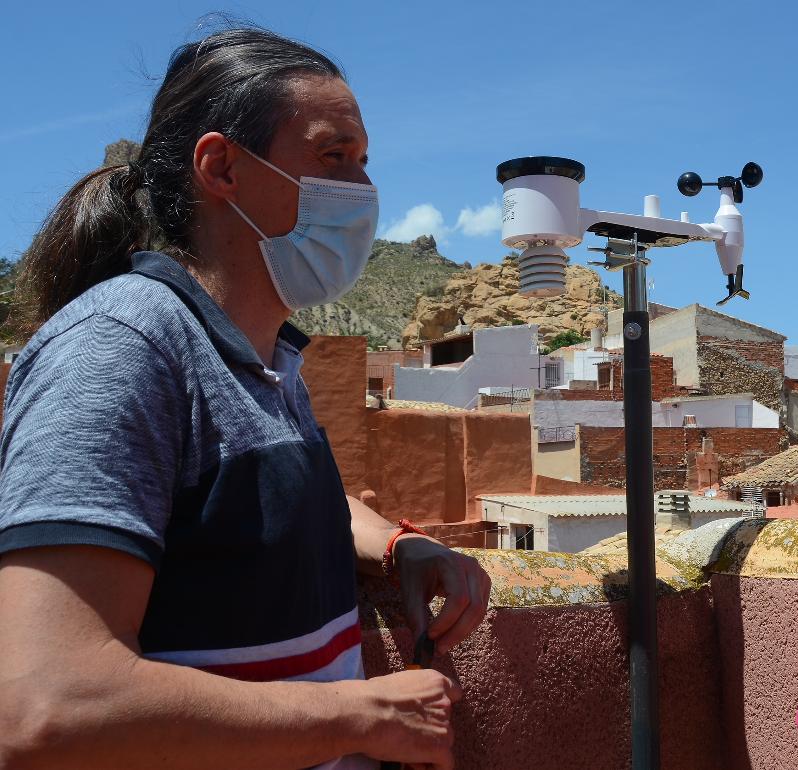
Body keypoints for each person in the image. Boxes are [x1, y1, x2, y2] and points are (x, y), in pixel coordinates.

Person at [0, 27, 491, 769]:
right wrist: (356, 717)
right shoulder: (120, 349)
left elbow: (269, 502)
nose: (363, 192)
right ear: (221, 166)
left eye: (364, 162)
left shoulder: (267, 357)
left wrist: (398, 548)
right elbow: (49, 707)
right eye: (334, 157)